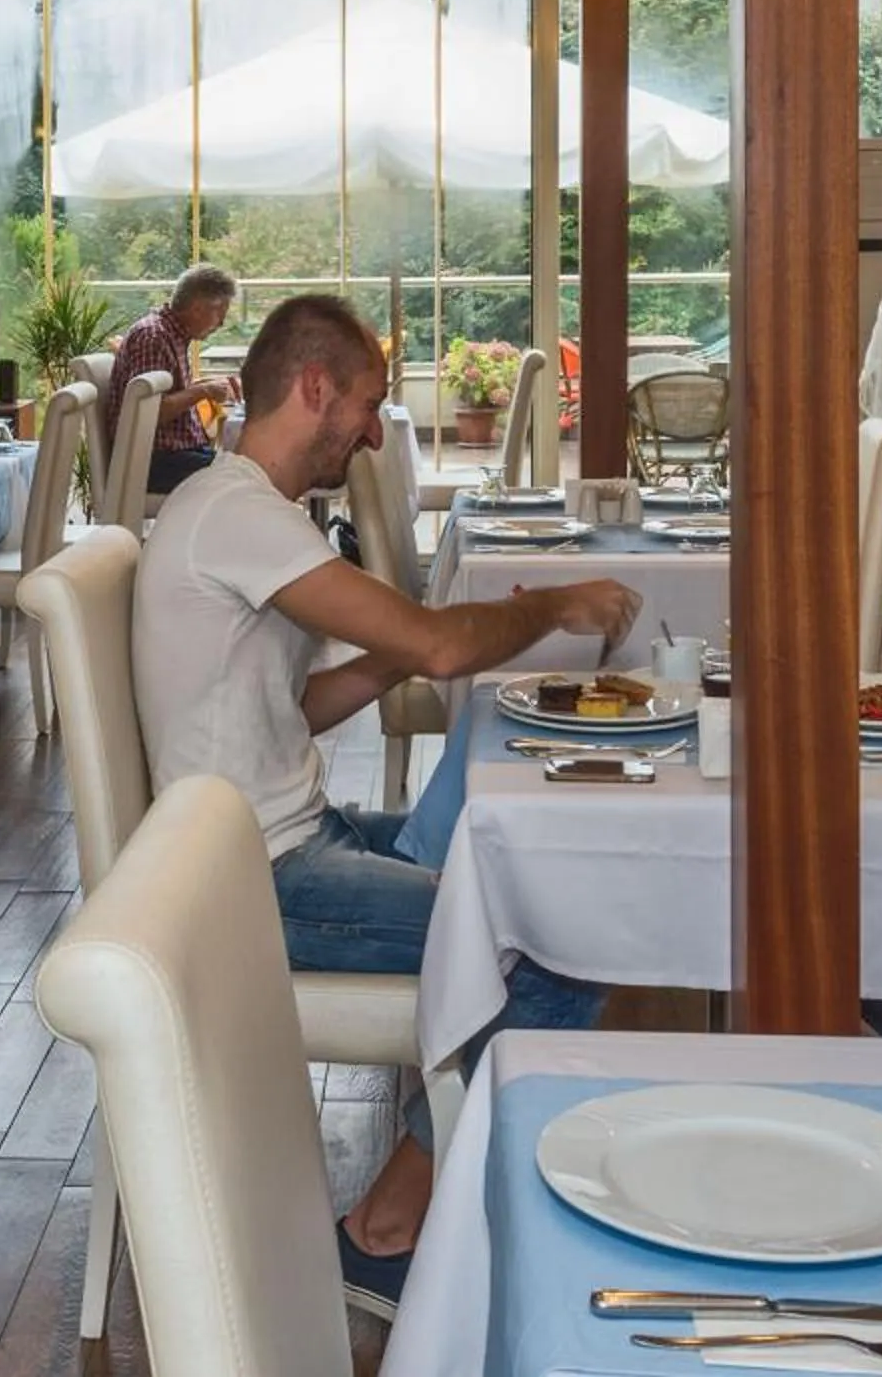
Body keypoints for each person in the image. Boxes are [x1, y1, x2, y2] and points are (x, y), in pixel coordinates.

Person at [130, 292, 638, 1319]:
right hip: (252, 882)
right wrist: (543, 606)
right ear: (312, 387)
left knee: (503, 876)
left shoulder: (246, 514)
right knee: (554, 940)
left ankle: (457, 1164)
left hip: (276, 843)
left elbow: (299, 705)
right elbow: (445, 649)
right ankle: (385, 1231)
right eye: (363, 402)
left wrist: (390, 652)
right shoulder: (234, 514)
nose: (370, 429)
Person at [107, 263, 242, 494]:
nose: (221, 323)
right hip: (151, 463)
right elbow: (148, 413)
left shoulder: (171, 334)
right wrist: (203, 391)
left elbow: (168, 396)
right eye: (220, 313)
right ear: (198, 308)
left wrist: (206, 385)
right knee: (242, 476)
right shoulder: (154, 337)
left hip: (171, 456)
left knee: (244, 467)